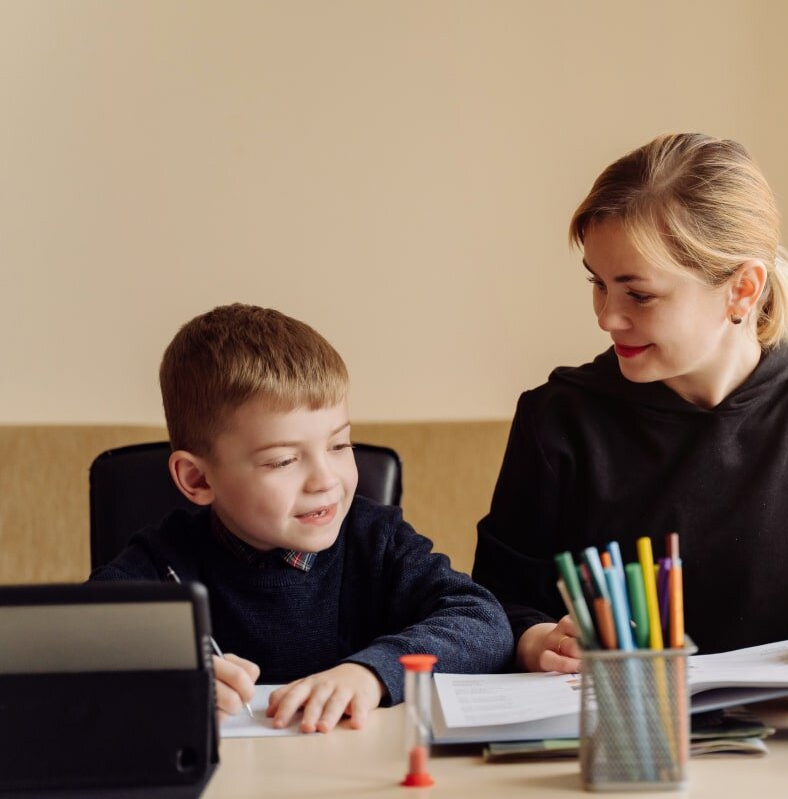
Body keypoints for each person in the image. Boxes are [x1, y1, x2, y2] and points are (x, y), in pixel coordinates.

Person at [473, 133, 788, 688]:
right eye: (598, 284)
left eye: (639, 294)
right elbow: (494, 605)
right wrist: (535, 641)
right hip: (618, 743)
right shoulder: (557, 417)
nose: (607, 317)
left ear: (742, 290)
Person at [91, 304, 512, 732]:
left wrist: (371, 672)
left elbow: (484, 623)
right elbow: (69, 644)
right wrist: (160, 678)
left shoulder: (376, 540)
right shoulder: (163, 561)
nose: (326, 480)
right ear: (198, 478)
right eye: (283, 460)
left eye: (339, 445)